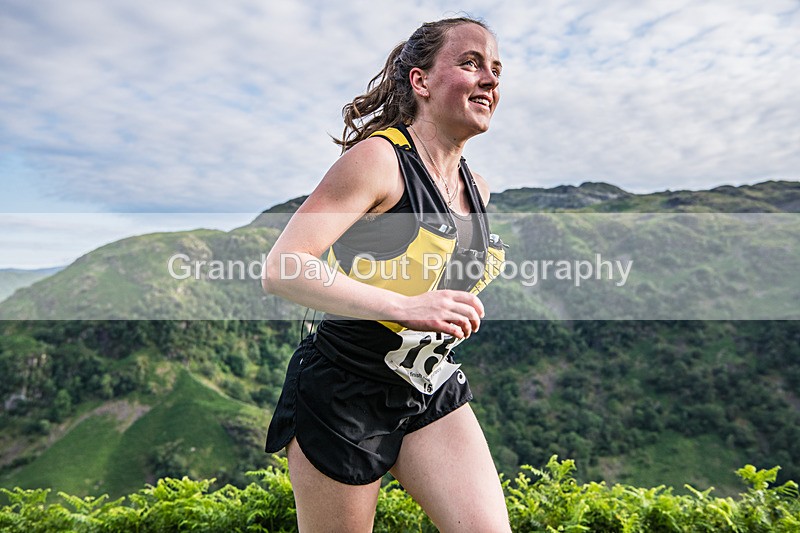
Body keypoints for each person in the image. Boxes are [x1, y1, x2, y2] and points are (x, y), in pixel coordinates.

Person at [262, 16, 510, 532]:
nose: (489, 79)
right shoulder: (379, 161)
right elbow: (284, 267)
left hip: (427, 382)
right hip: (343, 392)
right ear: (421, 81)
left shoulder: (477, 188)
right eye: (470, 64)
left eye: (495, 69)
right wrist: (406, 307)